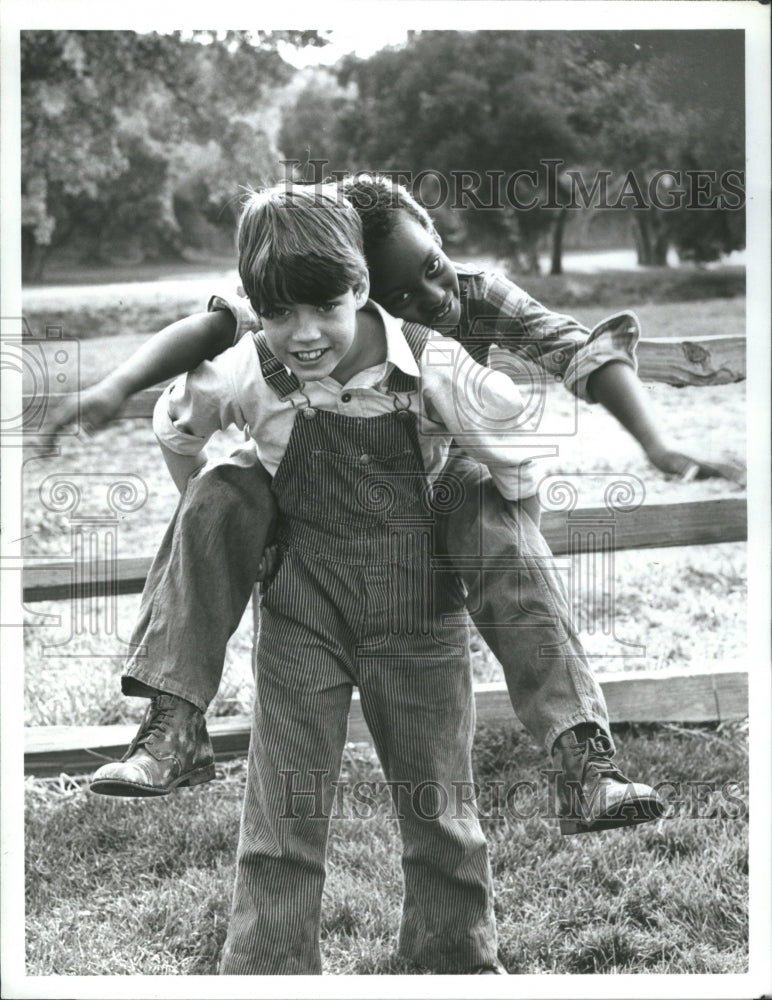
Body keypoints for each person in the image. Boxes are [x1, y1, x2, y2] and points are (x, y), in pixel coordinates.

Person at [60, 174, 734, 830]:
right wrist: (118, 389)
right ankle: (171, 725)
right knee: (218, 493)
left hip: (445, 472)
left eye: (434, 268)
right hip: (314, 482)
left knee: (499, 528)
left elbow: (579, 353)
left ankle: (583, 759)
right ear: (355, 290)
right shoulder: (310, 309)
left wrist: (659, 445)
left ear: (433, 243)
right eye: (400, 296)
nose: (431, 298)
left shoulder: (469, 298)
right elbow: (216, 326)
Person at [147, 182, 529, 973]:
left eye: (326, 306)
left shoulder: (429, 363)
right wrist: (240, 520)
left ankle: (451, 966)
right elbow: (179, 431)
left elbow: (518, 461)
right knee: (283, 813)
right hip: (302, 607)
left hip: (420, 607)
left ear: (360, 285)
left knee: (440, 810)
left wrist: (478, 489)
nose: (306, 333)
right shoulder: (245, 370)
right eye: (280, 313)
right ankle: (269, 975)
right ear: (255, 307)